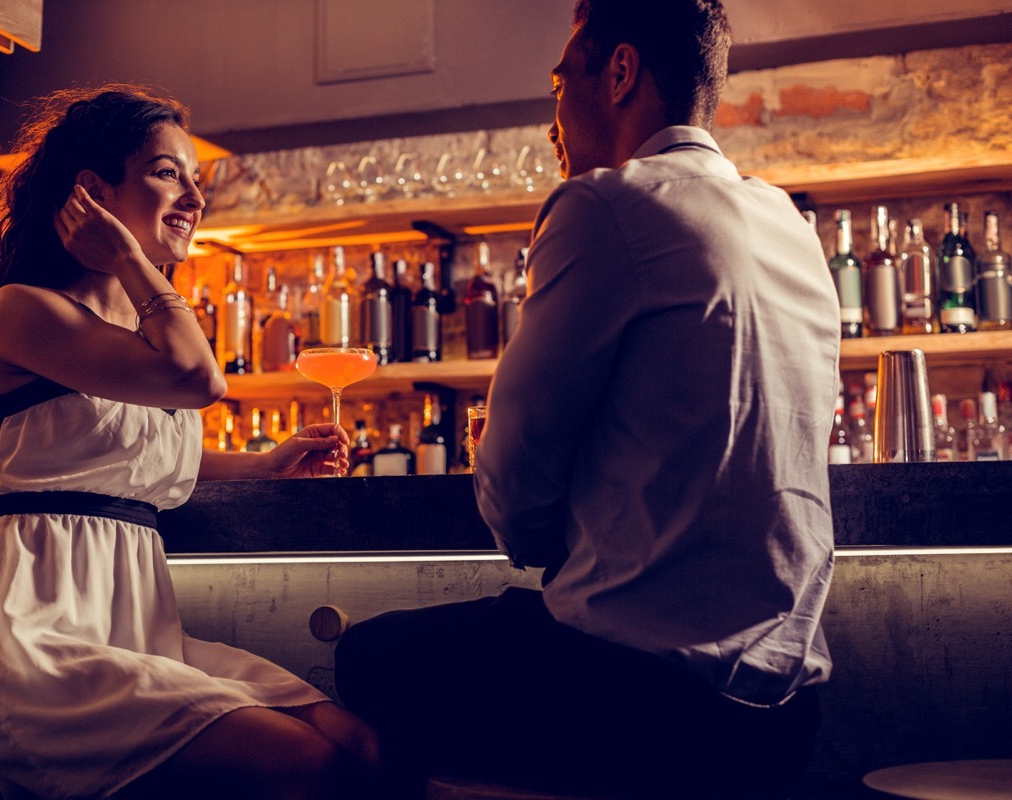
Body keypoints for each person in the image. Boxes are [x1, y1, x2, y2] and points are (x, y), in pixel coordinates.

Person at [333, 2, 839, 798]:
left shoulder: (606, 205)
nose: (553, 120)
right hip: (782, 713)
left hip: (639, 702)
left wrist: (539, 518)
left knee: (364, 659)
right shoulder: (789, 225)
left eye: (559, 84)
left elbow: (513, 494)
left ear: (621, 72)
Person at [0, 85, 379, 800]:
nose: (195, 198)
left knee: (363, 748)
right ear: (93, 191)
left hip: (138, 629)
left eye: (197, 180)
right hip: (36, 635)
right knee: (308, 763)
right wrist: (129, 260)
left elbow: (125, 454)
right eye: (169, 173)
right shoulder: (23, 311)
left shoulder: (138, 331)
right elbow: (199, 379)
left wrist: (263, 465)